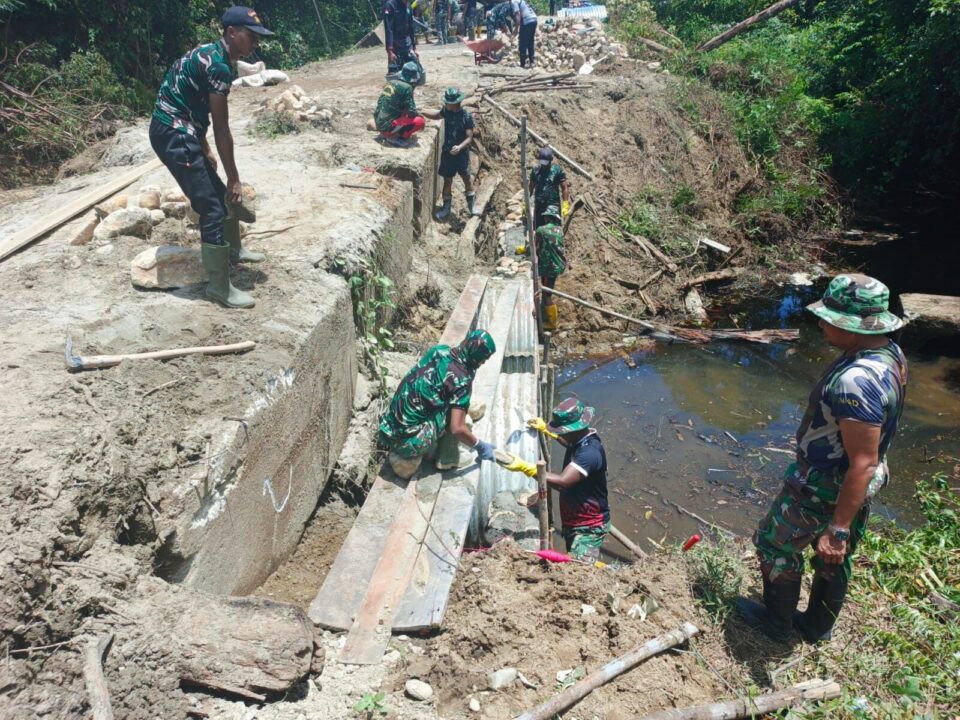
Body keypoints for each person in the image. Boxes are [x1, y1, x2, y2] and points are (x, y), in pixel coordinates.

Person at [737, 274, 908, 643]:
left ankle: (776, 626)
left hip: (827, 482)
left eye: (829, 319)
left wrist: (838, 529)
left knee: (775, 546)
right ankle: (817, 627)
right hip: (860, 479)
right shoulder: (889, 353)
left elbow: (861, 462)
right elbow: (870, 457)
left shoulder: (856, 382)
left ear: (854, 326)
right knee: (833, 558)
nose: (822, 325)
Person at [149, 6, 273, 309]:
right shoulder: (219, 66)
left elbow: (191, 101)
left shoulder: (211, 53)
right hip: (172, 133)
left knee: (218, 195)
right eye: (251, 35)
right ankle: (219, 287)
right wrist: (234, 178)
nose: (255, 42)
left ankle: (233, 251)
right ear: (232, 32)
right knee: (213, 208)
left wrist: (203, 147)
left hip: (180, 127)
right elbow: (221, 127)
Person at [379, 330, 500, 479]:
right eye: (484, 359)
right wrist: (480, 445)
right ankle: (448, 458)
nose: (483, 363)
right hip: (408, 443)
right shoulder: (462, 379)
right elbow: (457, 428)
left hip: (388, 429)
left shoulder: (439, 350)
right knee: (454, 413)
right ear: (476, 354)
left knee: (446, 399)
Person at [528, 399, 610, 560]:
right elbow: (570, 444)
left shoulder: (590, 453)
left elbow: (562, 483)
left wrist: (526, 468)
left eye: (562, 431)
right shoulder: (581, 440)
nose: (560, 434)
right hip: (574, 520)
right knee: (571, 557)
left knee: (579, 567)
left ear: (574, 430)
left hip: (589, 527)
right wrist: (548, 431)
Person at [422, 87, 478, 220]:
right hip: (448, 153)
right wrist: (422, 111)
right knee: (447, 181)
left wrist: (459, 147)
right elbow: (436, 115)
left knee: (466, 179)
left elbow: (469, 138)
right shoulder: (446, 111)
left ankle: (472, 206)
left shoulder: (466, 116)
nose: (446, 104)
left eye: (448, 102)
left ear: (455, 103)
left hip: (462, 155)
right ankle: (446, 208)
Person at [373, 62, 426, 147]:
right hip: (388, 128)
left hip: (379, 123)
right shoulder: (407, 88)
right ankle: (393, 137)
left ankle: (388, 132)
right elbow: (412, 112)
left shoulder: (390, 82)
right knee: (420, 121)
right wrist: (419, 115)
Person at [533, 204, 565, 331]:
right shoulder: (560, 230)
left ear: (547, 217)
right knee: (548, 289)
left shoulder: (541, 230)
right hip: (558, 265)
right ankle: (547, 312)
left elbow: (535, 247)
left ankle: (551, 323)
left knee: (547, 295)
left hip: (548, 267)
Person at [528, 146, 570, 229]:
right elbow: (531, 186)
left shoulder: (557, 170)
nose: (544, 165)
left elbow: (564, 188)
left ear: (551, 160)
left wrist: (565, 204)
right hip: (539, 206)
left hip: (553, 206)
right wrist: (526, 201)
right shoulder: (535, 170)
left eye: (546, 162)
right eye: (542, 162)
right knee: (539, 229)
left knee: (554, 229)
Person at [384, 0, 419, 78]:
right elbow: (388, 28)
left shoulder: (408, 6)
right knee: (394, 76)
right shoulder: (390, 5)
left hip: (407, 45)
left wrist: (414, 47)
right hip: (395, 46)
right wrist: (390, 51)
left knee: (413, 74)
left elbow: (411, 28)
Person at [511, 0, 538, 68]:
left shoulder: (513, 1)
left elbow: (518, 15)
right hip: (534, 19)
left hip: (527, 20)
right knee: (530, 41)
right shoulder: (520, 0)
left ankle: (522, 64)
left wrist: (516, 30)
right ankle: (532, 62)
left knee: (522, 42)